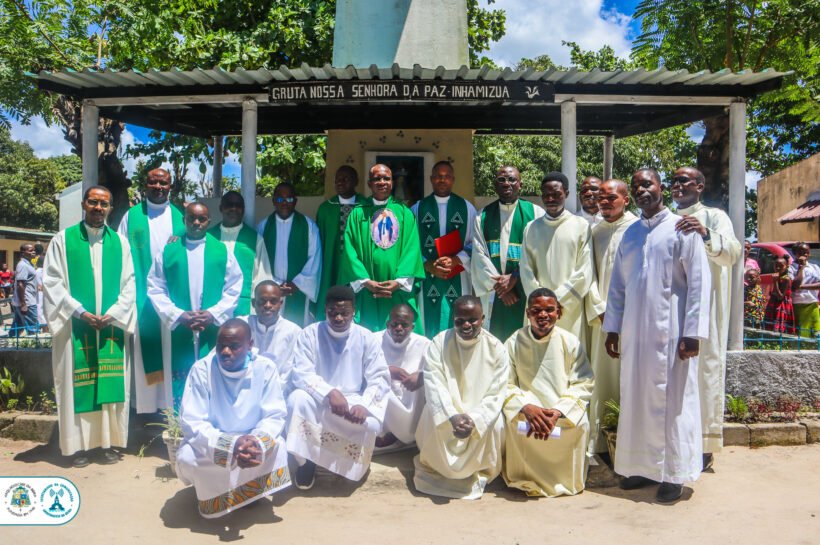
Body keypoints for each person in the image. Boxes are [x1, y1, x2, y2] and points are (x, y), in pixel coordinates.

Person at [603, 168, 711, 503]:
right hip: (635, 333)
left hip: (673, 333)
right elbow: (618, 286)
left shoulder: (682, 228)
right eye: (636, 186)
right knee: (636, 399)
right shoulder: (630, 234)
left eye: (647, 184)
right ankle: (641, 468)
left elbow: (699, 283)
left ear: (661, 187)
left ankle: (673, 474)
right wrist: (613, 327)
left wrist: (693, 333)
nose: (641, 190)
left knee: (673, 403)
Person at [42, 186, 135, 467]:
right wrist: (80, 312)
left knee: (109, 386)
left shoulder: (121, 243)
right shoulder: (63, 240)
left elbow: (129, 284)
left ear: (110, 208)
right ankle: (77, 447)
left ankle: (106, 444)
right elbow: (52, 282)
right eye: (93, 202)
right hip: (75, 327)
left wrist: (113, 314)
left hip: (110, 327)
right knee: (75, 386)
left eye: (104, 204)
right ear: (84, 204)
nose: (98, 208)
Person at [176, 319, 291, 518]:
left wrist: (255, 442)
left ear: (250, 345)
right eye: (221, 345)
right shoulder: (202, 369)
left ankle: (248, 493)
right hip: (215, 440)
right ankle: (211, 493)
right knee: (188, 457)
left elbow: (274, 414)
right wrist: (231, 445)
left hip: (251, 439)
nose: (226, 351)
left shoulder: (265, 368)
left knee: (277, 446)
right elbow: (192, 421)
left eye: (234, 346)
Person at [286, 285, 390, 489]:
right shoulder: (310, 334)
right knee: (296, 399)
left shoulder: (365, 336)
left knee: (371, 424)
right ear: (325, 309)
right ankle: (306, 462)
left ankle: (347, 465)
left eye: (345, 313)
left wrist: (364, 405)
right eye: (333, 312)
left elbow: (380, 376)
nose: (339, 318)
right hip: (319, 399)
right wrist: (329, 392)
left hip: (353, 400)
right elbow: (300, 372)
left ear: (354, 312)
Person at [672, 166, 742, 468]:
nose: (677, 185)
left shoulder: (715, 217)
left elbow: (733, 253)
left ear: (700, 186)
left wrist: (704, 233)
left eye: (684, 181)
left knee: (705, 371)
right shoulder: (668, 219)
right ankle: (675, 439)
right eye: (674, 181)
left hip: (707, 309)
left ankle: (703, 445)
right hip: (675, 308)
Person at [147, 201, 243, 407]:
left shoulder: (222, 251)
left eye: (202, 219)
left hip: (210, 327)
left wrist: (213, 314)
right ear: (184, 220)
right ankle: (178, 422)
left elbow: (234, 287)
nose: (196, 223)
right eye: (192, 218)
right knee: (180, 381)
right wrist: (177, 315)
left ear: (209, 221)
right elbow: (155, 287)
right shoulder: (168, 251)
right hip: (180, 327)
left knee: (211, 376)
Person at [413, 296, 508, 500]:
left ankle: (480, 468)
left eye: (473, 320)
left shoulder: (496, 348)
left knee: (497, 422)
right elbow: (434, 382)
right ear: (453, 319)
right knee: (431, 413)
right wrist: (452, 415)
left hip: (479, 411)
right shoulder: (439, 342)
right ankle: (438, 466)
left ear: (482, 319)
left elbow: (496, 392)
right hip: (448, 411)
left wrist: (475, 419)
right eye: (460, 320)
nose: (466, 325)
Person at [503, 288, 594, 497]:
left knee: (579, 425)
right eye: (536, 310)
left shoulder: (570, 341)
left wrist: (558, 411)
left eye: (549, 310)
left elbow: (584, 382)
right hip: (527, 412)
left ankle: (566, 480)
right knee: (511, 424)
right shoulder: (514, 341)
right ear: (528, 314)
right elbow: (504, 383)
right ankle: (525, 476)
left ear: (558, 313)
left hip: (560, 412)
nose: (543, 315)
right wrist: (527, 407)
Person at [118, 168, 186, 413]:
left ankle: (170, 407)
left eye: (163, 183)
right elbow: (122, 255)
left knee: (171, 350)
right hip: (142, 296)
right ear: (145, 185)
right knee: (143, 351)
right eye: (153, 182)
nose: (158, 187)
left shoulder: (181, 218)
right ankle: (146, 408)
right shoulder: (131, 216)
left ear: (170, 186)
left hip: (173, 297)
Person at [584, 179, 637, 455]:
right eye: (600, 197)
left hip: (632, 318)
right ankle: (602, 442)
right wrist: (599, 308)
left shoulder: (638, 229)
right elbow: (588, 273)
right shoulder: (595, 232)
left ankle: (631, 442)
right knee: (602, 377)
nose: (604, 202)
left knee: (631, 378)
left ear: (626, 199)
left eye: (611, 197)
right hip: (603, 319)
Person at [339, 164, 425, 332]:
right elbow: (350, 250)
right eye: (377, 178)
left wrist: (398, 282)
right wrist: (365, 281)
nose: (382, 182)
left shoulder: (404, 213)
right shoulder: (357, 214)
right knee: (367, 336)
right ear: (369, 184)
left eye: (386, 178)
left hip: (397, 291)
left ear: (392, 183)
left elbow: (412, 249)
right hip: (367, 291)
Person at [472, 166, 545, 342]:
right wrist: (501, 289)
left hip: (525, 289)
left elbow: (540, 253)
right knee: (495, 342)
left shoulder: (536, 213)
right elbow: (479, 256)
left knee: (525, 342)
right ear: (495, 184)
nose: (507, 183)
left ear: (520, 184)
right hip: (495, 294)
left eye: (512, 179)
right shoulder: (483, 216)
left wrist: (515, 277)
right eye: (501, 180)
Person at [520, 171, 594, 345]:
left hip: (568, 306)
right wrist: (541, 303)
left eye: (556, 194)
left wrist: (557, 301)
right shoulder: (531, 228)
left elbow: (584, 270)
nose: (550, 199)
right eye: (546, 195)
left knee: (569, 351)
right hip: (538, 308)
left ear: (566, 194)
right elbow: (525, 269)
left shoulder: (580, 226)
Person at [411, 161, 477, 337]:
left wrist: (456, 259)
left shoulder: (467, 208)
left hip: (458, 274)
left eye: (447, 176)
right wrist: (427, 264)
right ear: (431, 179)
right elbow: (410, 245)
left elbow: (476, 242)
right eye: (438, 176)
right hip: (427, 276)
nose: (442, 180)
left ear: (453, 179)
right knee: (427, 323)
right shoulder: (417, 209)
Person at [258, 183, 321, 327]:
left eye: (289, 199)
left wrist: (297, 284)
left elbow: (315, 258)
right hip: (272, 289)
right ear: (274, 201)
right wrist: (275, 283)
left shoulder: (308, 226)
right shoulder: (263, 226)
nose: (285, 203)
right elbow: (259, 260)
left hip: (298, 291)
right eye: (280, 199)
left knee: (297, 330)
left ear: (295, 201)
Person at [375, 303, 430, 451]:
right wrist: (387, 371)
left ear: (412, 327)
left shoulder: (424, 343)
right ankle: (383, 432)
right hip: (385, 394)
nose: (399, 328)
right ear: (388, 324)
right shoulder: (374, 340)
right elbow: (360, 368)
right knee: (378, 383)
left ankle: (407, 435)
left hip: (412, 396)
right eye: (395, 324)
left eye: (404, 325)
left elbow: (436, 369)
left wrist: (421, 376)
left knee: (426, 383)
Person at [209, 191, 273, 316]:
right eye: (229, 205)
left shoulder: (255, 239)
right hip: (212, 303)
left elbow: (263, 275)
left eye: (238, 206)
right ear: (221, 208)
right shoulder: (209, 237)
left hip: (243, 305)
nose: (233, 209)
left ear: (243, 210)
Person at [315, 166, 365, 315]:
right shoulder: (325, 209)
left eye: (345, 179)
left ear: (356, 181)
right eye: (337, 179)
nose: (340, 182)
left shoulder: (366, 206)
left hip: (359, 265)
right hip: (332, 263)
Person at [240, 281, 302, 395]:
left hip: (278, 392)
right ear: (253, 303)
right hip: (243, 389)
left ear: (280, 303)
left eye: (273, 301)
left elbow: (290, 371)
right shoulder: (241, 325)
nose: (268, 305)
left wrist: (272, 391)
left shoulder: (294, 331)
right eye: (262, 301)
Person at [790, 242, 820, 338]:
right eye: (801, 252)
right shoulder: (791, 268)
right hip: (798, 304)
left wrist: (802, 287)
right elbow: (795, 285)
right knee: (802, 334)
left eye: (807, 252)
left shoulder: (814, 267)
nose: (805, 254)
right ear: (795, 253)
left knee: (816, 332)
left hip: (812, 303)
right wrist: (801, 268)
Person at [10, 243, 38, 336]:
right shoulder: (23, 265)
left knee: (17, 326)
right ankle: (34, 344)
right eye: (30, 250)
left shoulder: (28, 264)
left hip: (24, 301)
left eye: (34, 250)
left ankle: (9, 342)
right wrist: (23, 304)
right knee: (32, 328)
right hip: (27, 302)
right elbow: (20, 284)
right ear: (23, 253)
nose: (34, 252)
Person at [764, 256, 795, 334]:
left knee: (779, 326)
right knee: (770, 326)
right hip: (774, 303)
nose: (778, 268)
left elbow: (780, 296)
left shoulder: (786, 279)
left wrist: (775, 281)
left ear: (787, 266)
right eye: (776, 266)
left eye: (781, 266)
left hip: (781, 305)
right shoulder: (778, 276)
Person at [34, 244, 45, 332]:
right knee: (40, 308)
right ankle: (42, 324)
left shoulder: (38, 271)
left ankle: (42, 324)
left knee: (40, 308)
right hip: (41, 292)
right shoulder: (40, 271)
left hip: (40, 292)